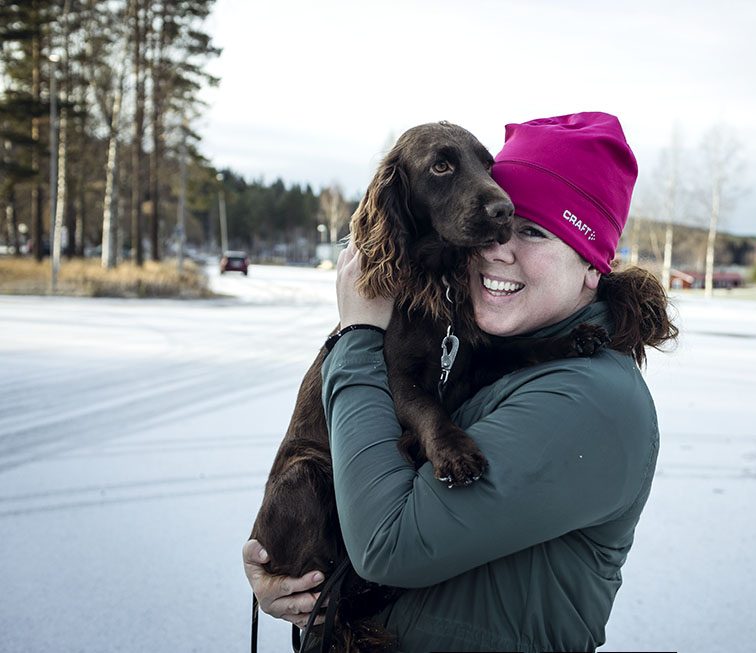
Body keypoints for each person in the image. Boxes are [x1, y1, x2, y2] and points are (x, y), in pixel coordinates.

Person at [244, 111, 678, 652]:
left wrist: (357, 334)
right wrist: (290, 575)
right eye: (499, 225)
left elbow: (387, 545)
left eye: (533, 231)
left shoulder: (589, 402)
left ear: (592, 265)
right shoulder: (489, 342)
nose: (498, 248)